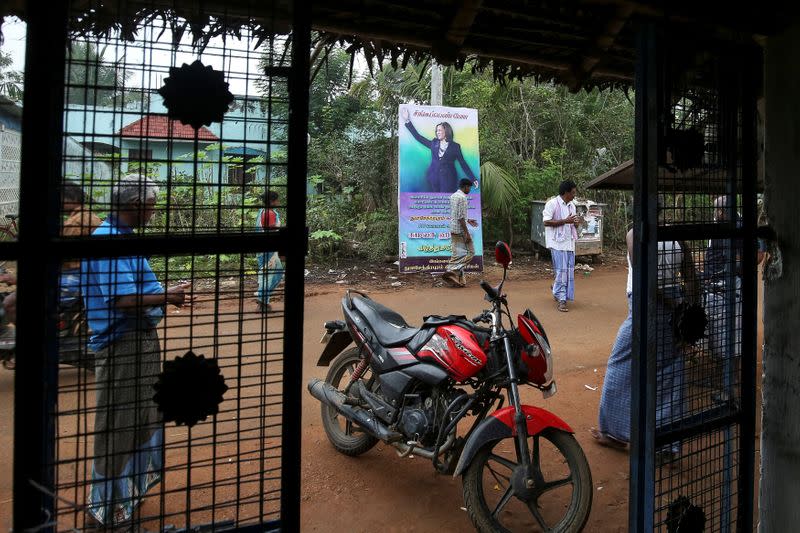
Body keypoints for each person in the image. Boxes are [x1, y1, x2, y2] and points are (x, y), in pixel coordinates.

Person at [82, 174, 192, 526]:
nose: (154, 211)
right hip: (121, 344)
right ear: (134, 206)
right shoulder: (109, 241)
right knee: (119, 422)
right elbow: (124, 299)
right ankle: (108, 507)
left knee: (140, 417)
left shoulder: (121, 238)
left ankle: (124, 497)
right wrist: (168, 295)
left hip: (136, 341)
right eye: (151, 205)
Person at [400, 107, 479, 193]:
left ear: (446, 131)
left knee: (445, 203)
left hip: (449, 180)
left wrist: (473, 178)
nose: (437, 132)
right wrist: (407, 120)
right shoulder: (434, 143)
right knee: (434, 204)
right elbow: (418, 137)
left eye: (440, 130)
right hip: (433, 178)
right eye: (436, 130)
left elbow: (463, 163)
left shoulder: (455, 146)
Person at [543, 180, 581, 312]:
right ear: (566, 192)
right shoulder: (552, 204)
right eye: (573, 192)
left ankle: (556, 290)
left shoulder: (572, 205)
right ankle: (562, 299)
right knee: (561, 271)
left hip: (569, 243)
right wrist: (565, 221)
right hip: (557, 243)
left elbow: (574, 224)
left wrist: (576, 223)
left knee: (567, 272)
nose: (574, 195)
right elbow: (546, 222)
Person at [443, 178, 478, 287]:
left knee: (457, 255)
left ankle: (460, 281)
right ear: (465, 186)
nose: (470, 190)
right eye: (469, 187)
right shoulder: (463, 198)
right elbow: (461, 217)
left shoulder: (453, 196)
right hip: (460, 230)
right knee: (470, 252)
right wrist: (467, 233)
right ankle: (452, 271)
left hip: (453, 229)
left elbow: (456, 214)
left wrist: (468, 220)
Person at [255, 190, 284, 312]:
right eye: (277, 199)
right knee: (273, 275)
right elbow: (271, 230)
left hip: (265, 249)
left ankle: (263, 300)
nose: (278, 202)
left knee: (269, 274)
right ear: (272, 201)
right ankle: (262, 300)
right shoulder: (269, 213)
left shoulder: (263, 211)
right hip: (269, 249)